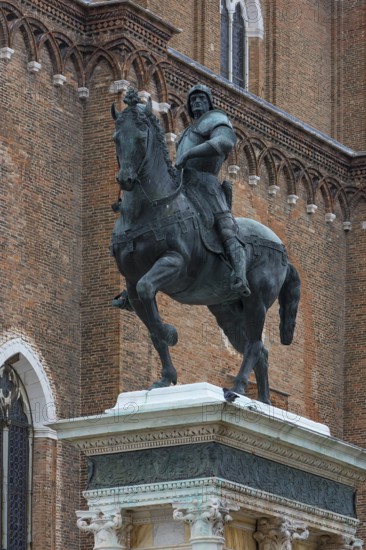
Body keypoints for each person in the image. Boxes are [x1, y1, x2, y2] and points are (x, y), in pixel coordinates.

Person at [175, 84, 250, 296]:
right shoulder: (186, 133)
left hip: (206, 184)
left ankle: (240, 275)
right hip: (182, 182)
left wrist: (189, 155)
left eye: (201, 98)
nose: (196, 102)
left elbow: (224, 141)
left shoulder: (216, 120)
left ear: (209, 103)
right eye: (193, 99)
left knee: (226, 228)